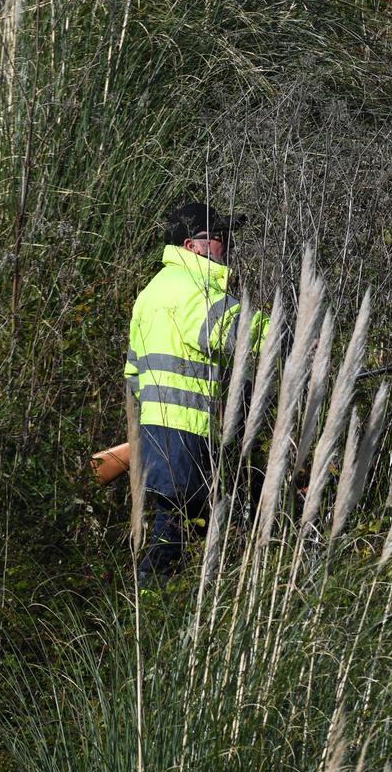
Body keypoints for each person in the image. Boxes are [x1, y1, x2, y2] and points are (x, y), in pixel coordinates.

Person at [124, 201, 266, 583]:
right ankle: (149, 602)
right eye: (218, 237)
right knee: (175, 533)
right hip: (188, 435)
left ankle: (159, 605)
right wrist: (296, 334)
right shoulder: (193, 292)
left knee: (187, 527)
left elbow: (132, 374)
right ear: (192, 246)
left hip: (157, 435)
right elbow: (246, 334)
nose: (225, 244)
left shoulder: (152, 293)